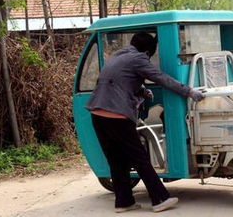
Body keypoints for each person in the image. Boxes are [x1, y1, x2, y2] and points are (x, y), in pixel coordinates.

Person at [86, 32, 205, 213]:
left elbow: (116, 80)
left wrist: (141, 90)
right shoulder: (139, 59)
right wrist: (189, 91)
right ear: (148, 51)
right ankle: (160, 199)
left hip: (97, 114)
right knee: (140, 158)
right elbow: (161, 78)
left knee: (116, 161)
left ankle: (124, 202)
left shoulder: (118, 55)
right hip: (117, 116)